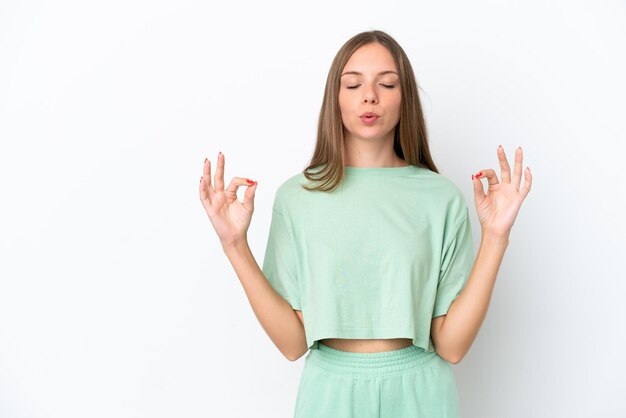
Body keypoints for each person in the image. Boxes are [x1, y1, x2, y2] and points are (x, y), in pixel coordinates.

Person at [199, 29, 532, 418]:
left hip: (420, 393)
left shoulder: (440, 198)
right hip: (329, 394)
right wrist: (234, 245)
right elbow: (292, 343)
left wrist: (496, 237)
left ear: (404, 97)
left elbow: (453, 346)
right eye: (353, 84)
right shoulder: (298, 197)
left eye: (386, 83)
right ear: (335, 98)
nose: (369, 95)